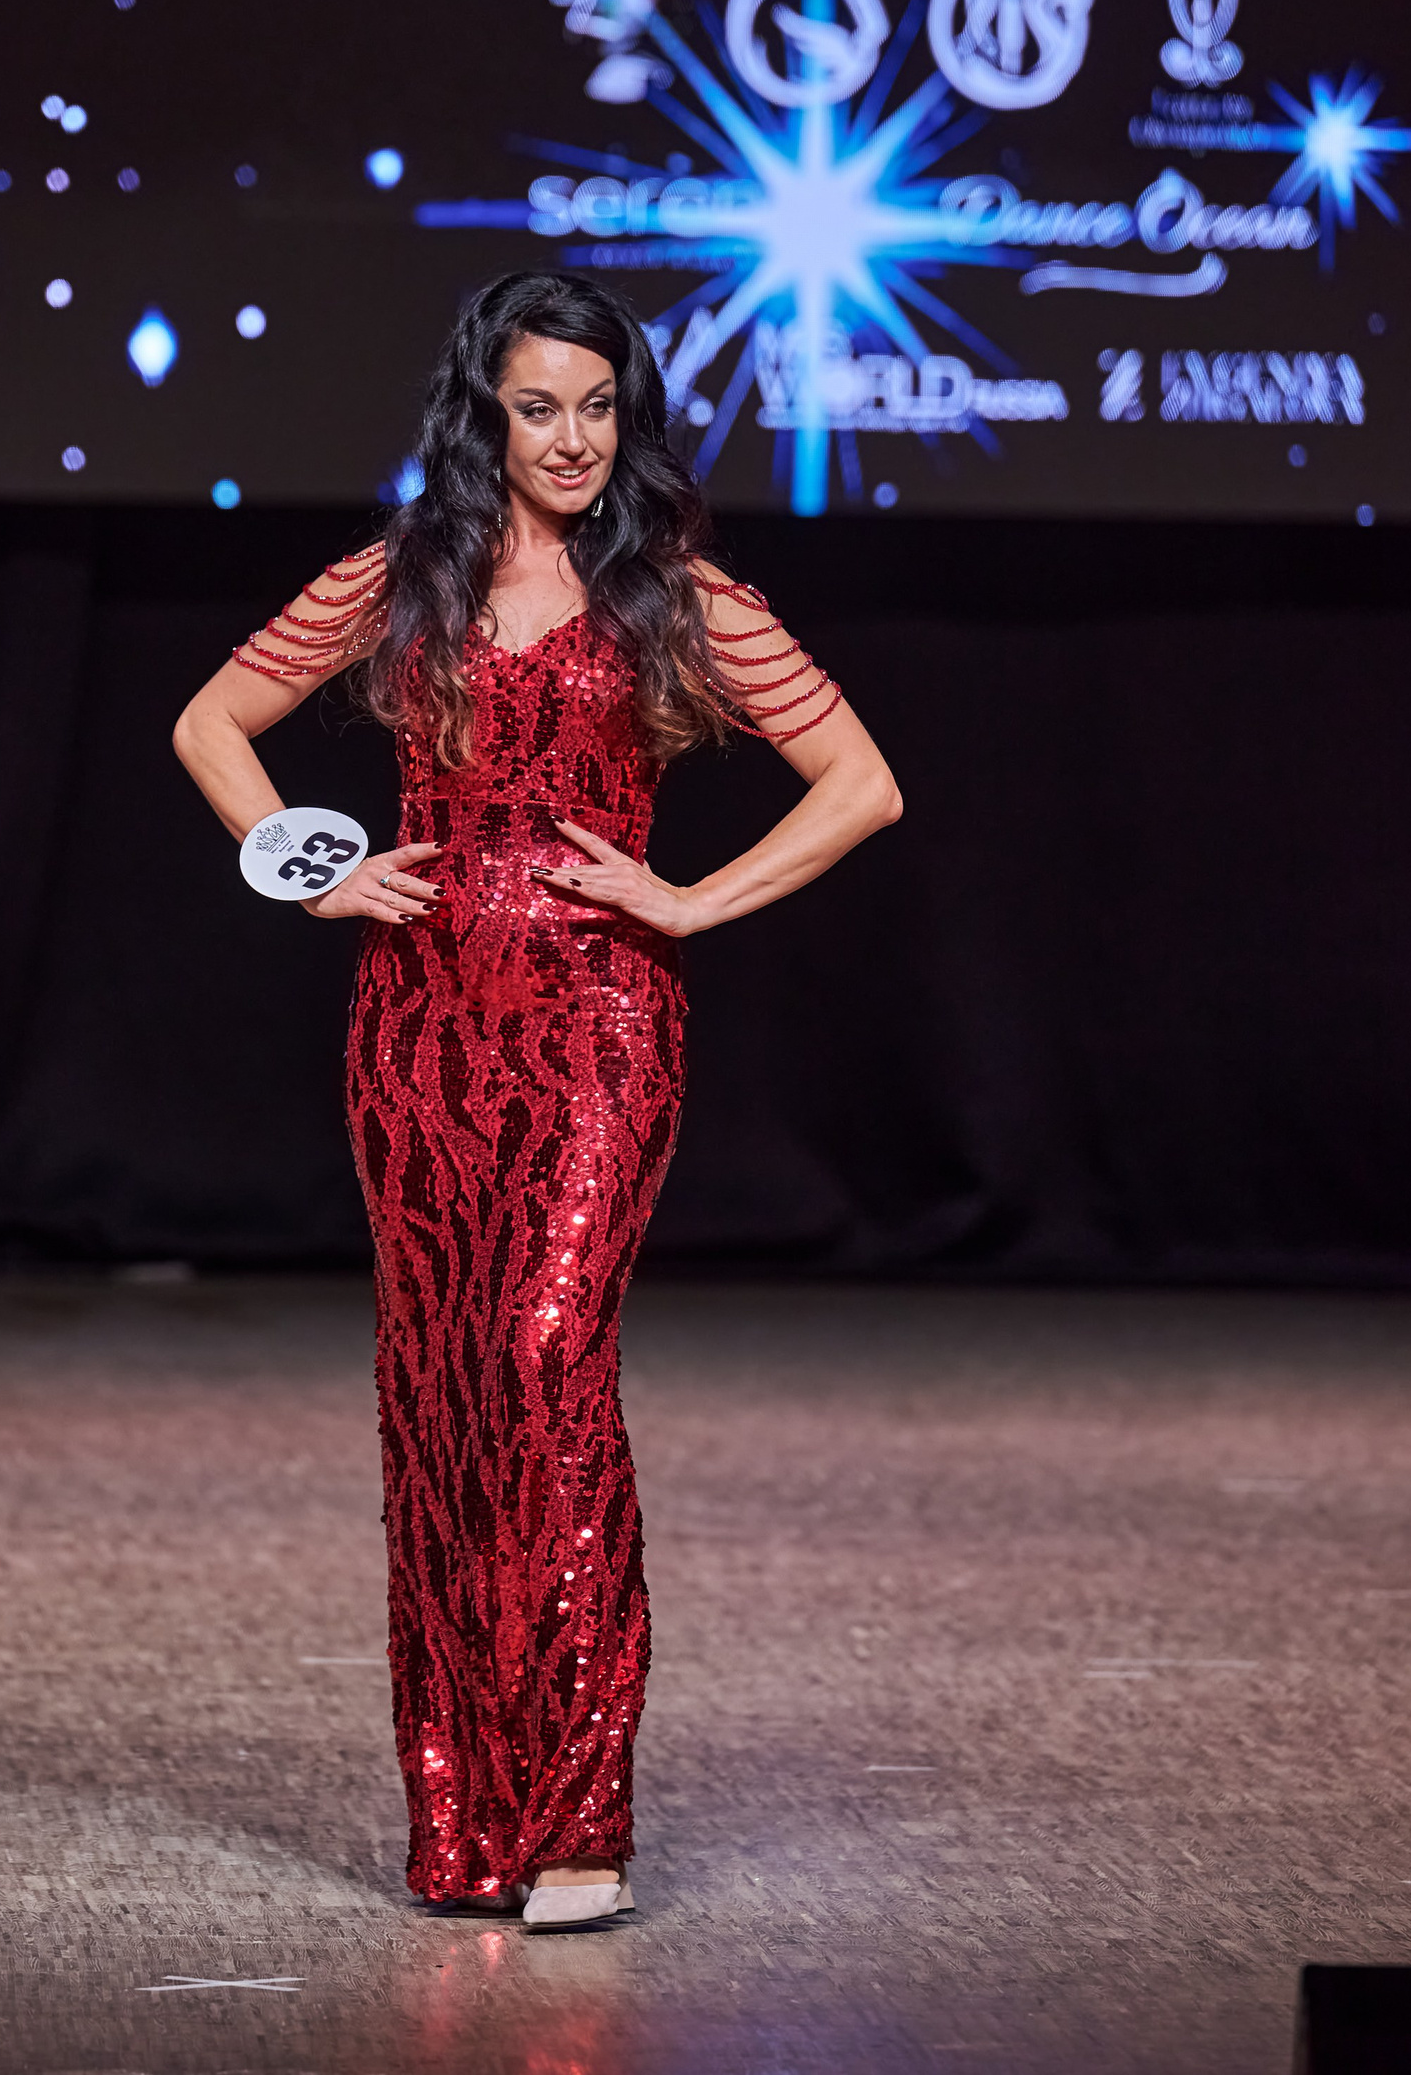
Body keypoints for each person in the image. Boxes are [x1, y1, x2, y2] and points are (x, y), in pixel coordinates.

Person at [173, 271, 902, 1927]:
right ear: (484, 416)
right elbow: (211, 722)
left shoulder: (677, 596)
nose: (572, 439)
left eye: (597, 407)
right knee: (441, 1398)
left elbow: (862, 784)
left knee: (545, 1357)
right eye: (538, 407)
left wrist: (693, 902)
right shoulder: (402, 579)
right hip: (417, 1029)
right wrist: (313, 870)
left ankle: (579, 1820)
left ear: (627, 418)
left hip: (601, 1025)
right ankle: (465, 1819)